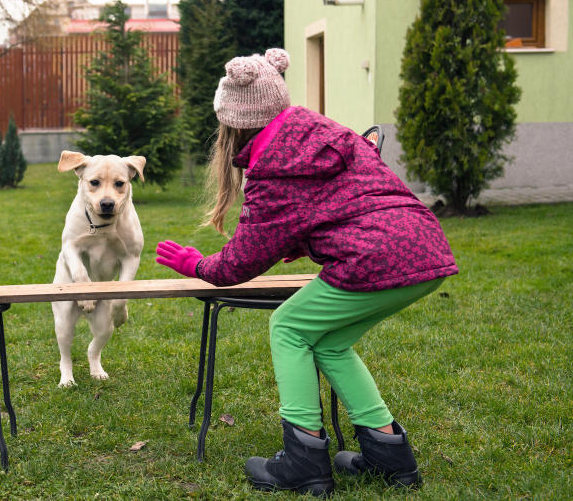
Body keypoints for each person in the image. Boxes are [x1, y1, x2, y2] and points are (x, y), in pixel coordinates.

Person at [155, 48, 457, 497]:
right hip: (423, 247)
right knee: (331, 343)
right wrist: (302, 236)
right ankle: (390, 456)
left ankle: (304, 459)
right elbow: (347, 197)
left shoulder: (272, 165)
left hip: (372, 257)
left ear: (233, 121)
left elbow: (239, 264)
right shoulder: (320, 130)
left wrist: (196, 264)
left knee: (289, 326)